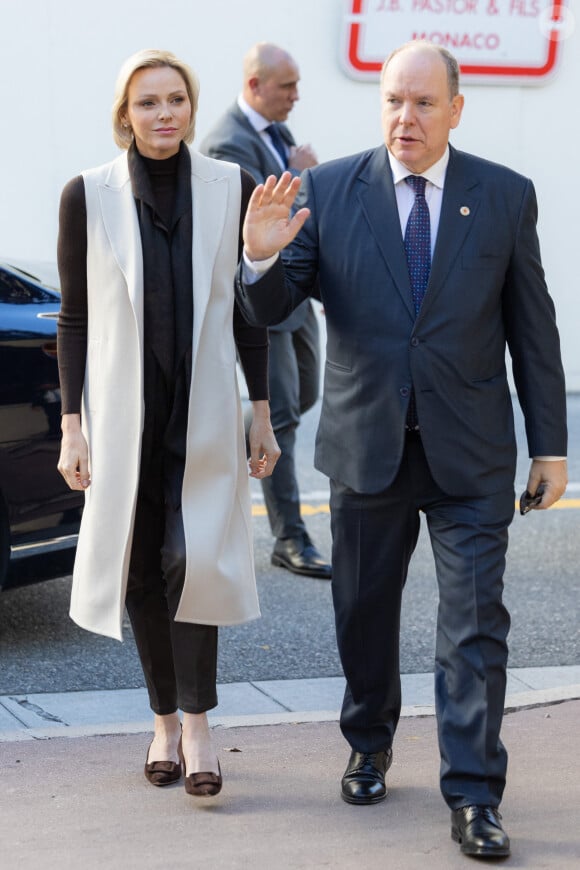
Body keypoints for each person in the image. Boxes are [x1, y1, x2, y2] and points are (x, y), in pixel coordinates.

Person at [237, 41, 568, 858]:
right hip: (366, 447)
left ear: (457, 109)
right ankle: (369, 738)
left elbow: (533, 326)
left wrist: (551, 447)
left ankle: (475, 795)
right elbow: (274, 307)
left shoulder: (503, 195)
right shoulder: (328, 190)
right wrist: (260, 254)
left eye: (422, 103)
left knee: (475, 625)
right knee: (363, 614)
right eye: (391, 100)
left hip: (472, 449)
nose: (404, 117)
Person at [56, 49, 280, 799]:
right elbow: (75, 319)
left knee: (196, 566)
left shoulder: (230, 185)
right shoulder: (87, 195)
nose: (164, 114)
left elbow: (251, 311)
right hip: (124, 421)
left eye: (176, 99)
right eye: (148, 102)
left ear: (192, 107)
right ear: (127, 113)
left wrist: (262, 412)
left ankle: (199, 725)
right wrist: (72, 426)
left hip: (205, 414)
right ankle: (162, 721)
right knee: (141, 570)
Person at [200, 43, 331, 580]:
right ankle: (289, 538)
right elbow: (259, 228)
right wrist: (306, 180)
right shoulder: (229, 142)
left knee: (304, 399)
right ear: (255, 85)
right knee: (279, 419)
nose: (296, 96)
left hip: (295, 304)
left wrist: (301, 175)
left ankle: (225, 451)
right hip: (261, 302)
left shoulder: (271, 136)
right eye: (287, 86)